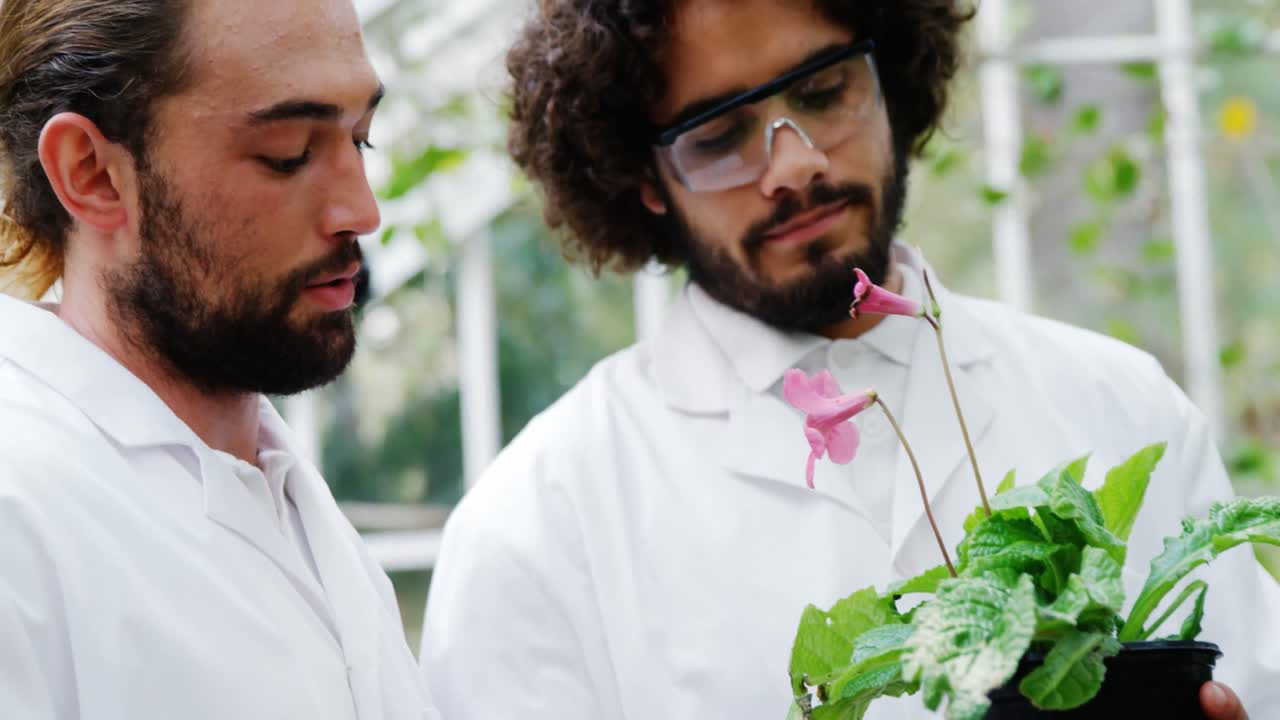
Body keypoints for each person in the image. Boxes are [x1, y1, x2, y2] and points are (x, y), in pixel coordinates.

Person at [419, 1, 1279, 718]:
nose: (794, 164)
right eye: (720, 136)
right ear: (644, 180)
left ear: (893, 79)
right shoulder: (540, 521)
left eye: (826, 91)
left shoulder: (1119, 404)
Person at [0, 1, 438, 718]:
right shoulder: (19, 519)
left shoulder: (287, 496)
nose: (362, 211)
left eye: (361, 139)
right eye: (289, 154)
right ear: (93, 175)